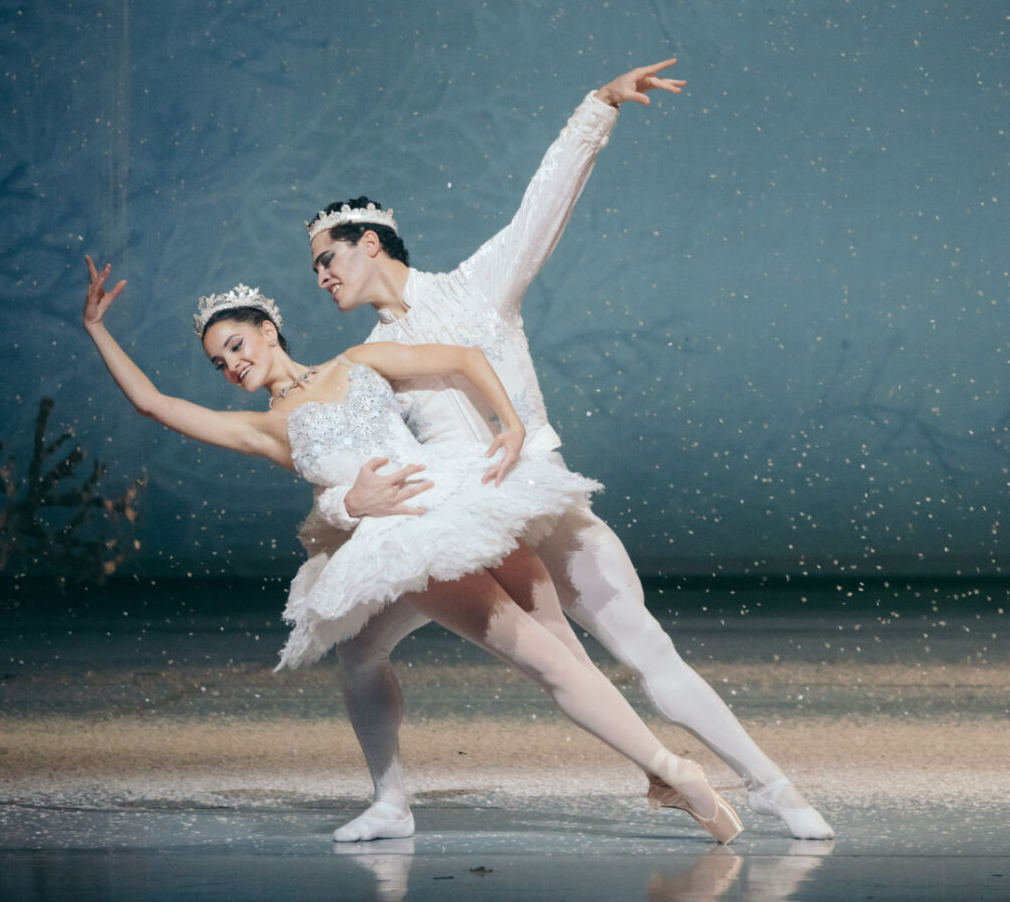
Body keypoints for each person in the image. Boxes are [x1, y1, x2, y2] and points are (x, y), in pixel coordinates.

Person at [303, 59, 834, 842]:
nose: (321, 275)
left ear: (372, 242)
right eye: (315, 267)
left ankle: (773, 787)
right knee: (356, 648)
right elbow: (344, 448)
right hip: (457, 524)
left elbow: (540, 206)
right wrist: (348, 506)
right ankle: (391, 801)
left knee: (645, 648)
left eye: (329, 258)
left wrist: (598, 108)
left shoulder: (478, 285)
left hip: (536, 496)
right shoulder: (368, 358)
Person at [82, 257, 744, 845]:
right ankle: (392, 803)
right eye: (218, 363)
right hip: (400, 531)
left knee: (548, 659)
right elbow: (152, 404)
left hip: (434, 519)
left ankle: (672, 772)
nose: (230, 365)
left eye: (234, 345)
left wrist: (510, 427)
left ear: (268, 330)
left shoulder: (356, 362)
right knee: (361, 651)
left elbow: (460, 360)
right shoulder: (264, 427)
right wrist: (97, 329)